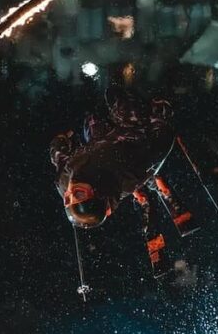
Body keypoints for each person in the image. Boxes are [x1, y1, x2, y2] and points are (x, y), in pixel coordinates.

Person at [50, 85, 175, 229]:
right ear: (97, 193)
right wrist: (161, 115)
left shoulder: (63, 182)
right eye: (78, 195)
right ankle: (156, 184)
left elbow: (58, 156)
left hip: (96, 137)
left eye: (67, 199)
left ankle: (102, 98)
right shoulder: (128, 173)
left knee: (92, 117)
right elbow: (160, 145)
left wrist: (61, 139)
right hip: (131, 133)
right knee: (125, 104)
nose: (70, 191)